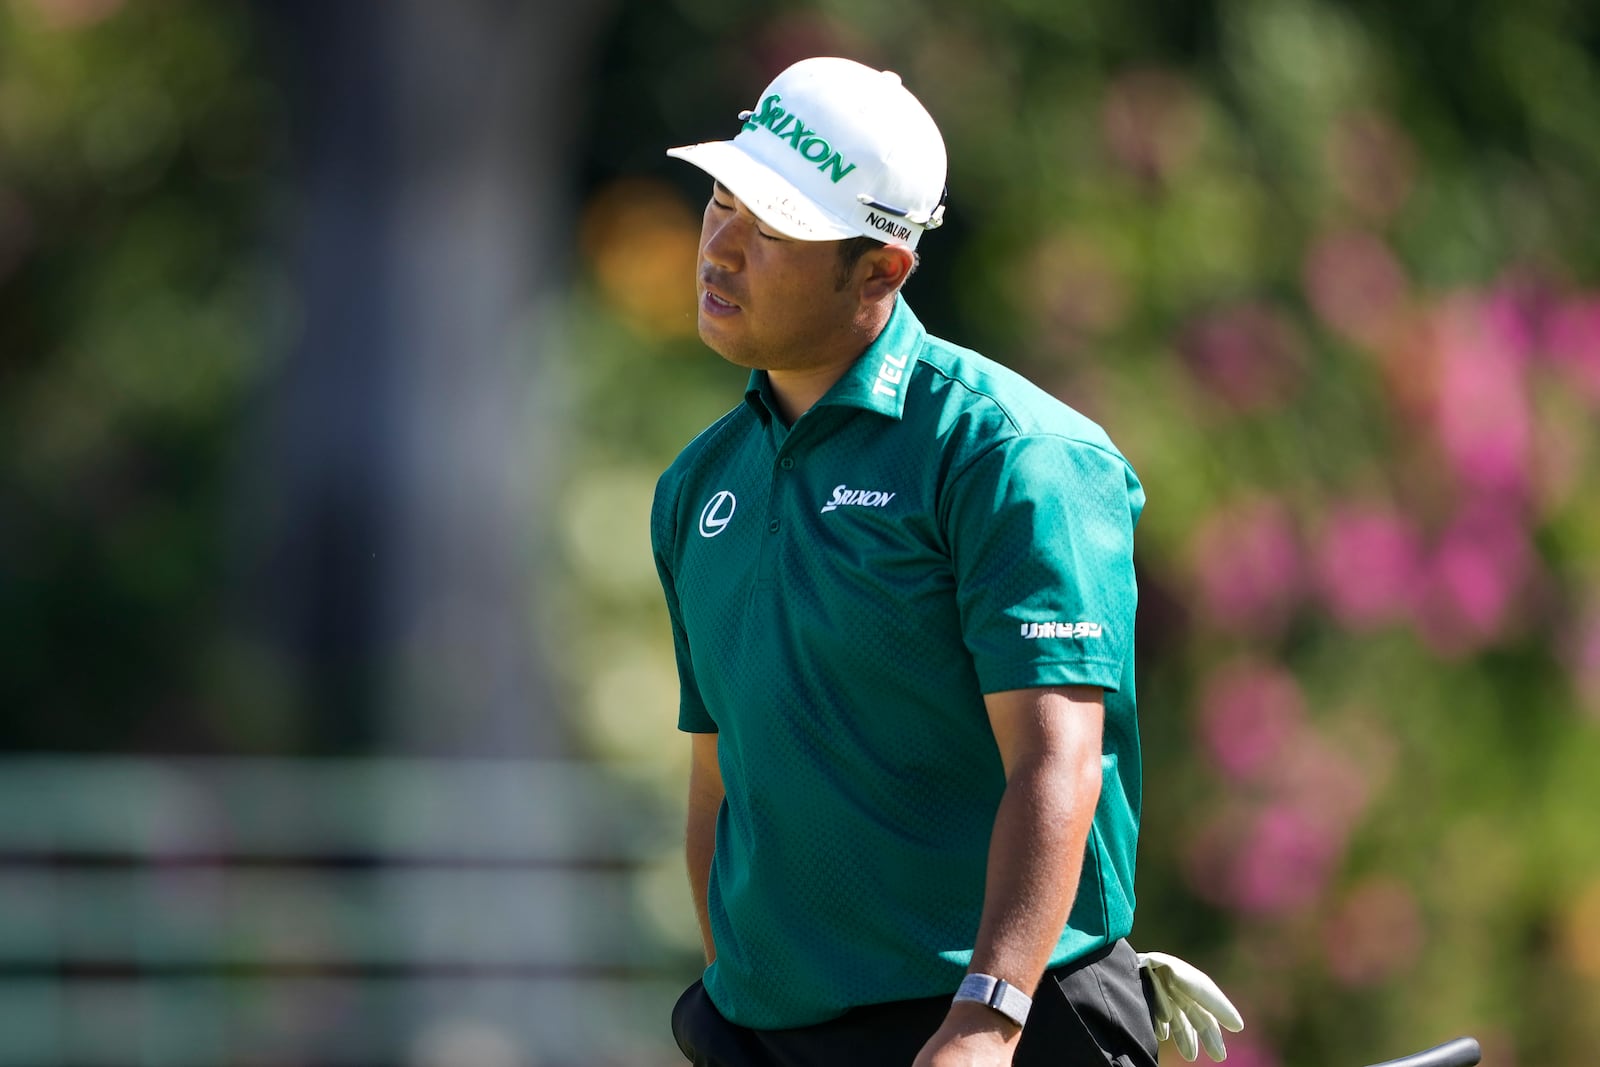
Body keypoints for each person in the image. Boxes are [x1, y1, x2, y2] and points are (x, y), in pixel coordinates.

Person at [651, 55, 1237, 1067]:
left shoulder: (1010, 455)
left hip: (990, 1027)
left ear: (882, 268)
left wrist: (988, 1013)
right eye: (722, 199)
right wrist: (742, 1002)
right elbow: (720, 779)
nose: (723, 246)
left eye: (776, 225)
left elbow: (1056, 759)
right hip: (771, 1034)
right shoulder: (698, 485)